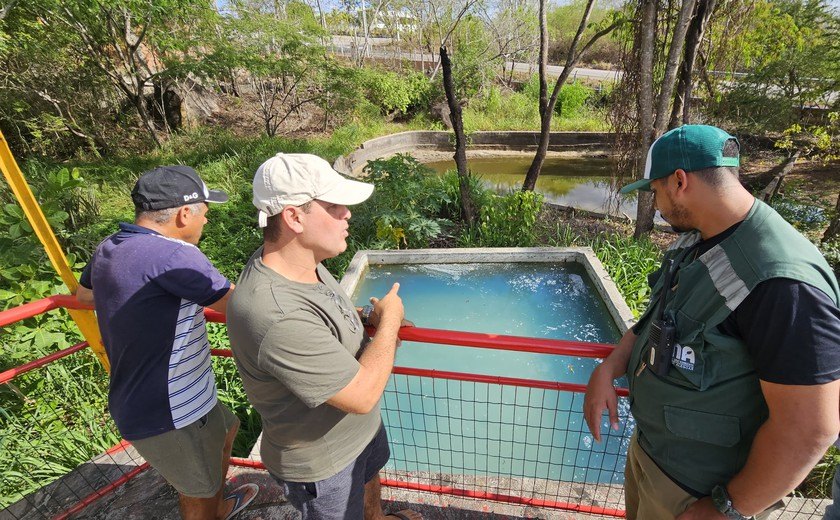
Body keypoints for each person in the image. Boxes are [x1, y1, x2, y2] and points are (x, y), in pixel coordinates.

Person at [583, 125, 840, 519]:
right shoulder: (700, 238)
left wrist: (725, 509)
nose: (656, 203)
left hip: (700, 494)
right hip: (655, 459)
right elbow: (656, 319)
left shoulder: (780, 282)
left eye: (655, 191)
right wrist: (611, 366)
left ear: (679, 181)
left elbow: (809, 429)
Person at [226, 153, 421, 520]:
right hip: (324, 464)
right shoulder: (274, 312)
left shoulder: (303, 263)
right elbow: (361, 395)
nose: (347, 214)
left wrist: (367, 316)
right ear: (294, 217)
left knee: (369, 491)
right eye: (333, 206)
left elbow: (324, 316)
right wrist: (390, 320)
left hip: (358, 435)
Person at [76, 165, 258, 520]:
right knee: (198, 495)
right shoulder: (175, 256)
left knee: (229, 428)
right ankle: (211, 510)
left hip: (163, 395)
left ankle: (218, 508)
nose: (206, 222)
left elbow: (84, 295)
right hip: (171, 409)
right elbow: (246, 305)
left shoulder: (111, 246)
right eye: (204, 213)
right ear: (184, 214)